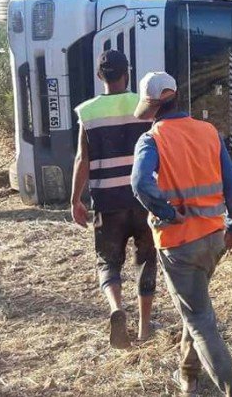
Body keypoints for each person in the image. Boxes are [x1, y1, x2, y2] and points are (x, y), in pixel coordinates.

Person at [131, 71, 232, 397]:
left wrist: (167, 212)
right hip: (215, 238)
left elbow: (140, 184)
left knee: (199, 321)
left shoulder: (152, 139)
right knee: (195, 307)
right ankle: (188, 375)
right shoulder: (208, 131)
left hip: (179, 245)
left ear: (152, 107)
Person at [71, 51, 155, 349]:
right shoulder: (144, 106)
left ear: (99, 76)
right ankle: (145, 329)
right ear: (127, 74)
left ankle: (116, 308)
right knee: (146, 261)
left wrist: (75, 200)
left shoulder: (88, 111)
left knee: (108, 261)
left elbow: (83, 158)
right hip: (144, 199)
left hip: (107, 201)